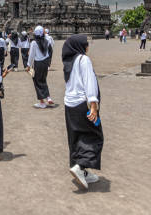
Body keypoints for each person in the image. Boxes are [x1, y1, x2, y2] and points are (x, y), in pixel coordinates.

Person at [62, 35, 103, 190]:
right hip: (81, 105)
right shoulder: (83, 60)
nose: (87, 47)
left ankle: (81, 170)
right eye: (86, 44)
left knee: (76, 138)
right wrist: (93, 105)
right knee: (95, 136)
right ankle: (80, 167)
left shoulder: (69, 61)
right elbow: (89, 81)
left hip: (69, 105)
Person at [26, 26, 54, 108]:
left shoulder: (34, 43)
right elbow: (50, 50)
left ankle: (42, 102)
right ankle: (48, 97)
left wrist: (28, 65)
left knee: (37, 81)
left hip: (38, 63)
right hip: (45, 62)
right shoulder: (46, 40)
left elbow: (31, 55)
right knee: (43, 79)